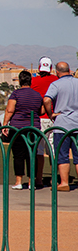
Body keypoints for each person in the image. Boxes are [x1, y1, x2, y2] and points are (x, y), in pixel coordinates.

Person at [3, 70, 44, 189]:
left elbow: (10, 110)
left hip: (18, 128)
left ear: (20, 81)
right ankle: (32, 182)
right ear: (30, 81)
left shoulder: (16, 94)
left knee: (18, 154)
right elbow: (40, 111)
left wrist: (5, 123)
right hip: (33, 128)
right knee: (32, 154)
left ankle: (18, 181)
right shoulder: (37, 95)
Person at [43, 61, 78, 192]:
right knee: (77, 156)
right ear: (69, 70)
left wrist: (51, 114)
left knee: (62, 154)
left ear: (57, 72)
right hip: (77, 124)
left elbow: (46, 99)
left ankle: (64, 182)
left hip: (62, 124)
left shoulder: (56, 84)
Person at [31, 56, 58, 187]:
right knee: (53, 150)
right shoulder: (56, 80)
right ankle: (54, 178)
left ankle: (39, 179)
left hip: (39, 119)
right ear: (51, 68)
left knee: (39, 151)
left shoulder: (33, 81)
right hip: (53, 118)